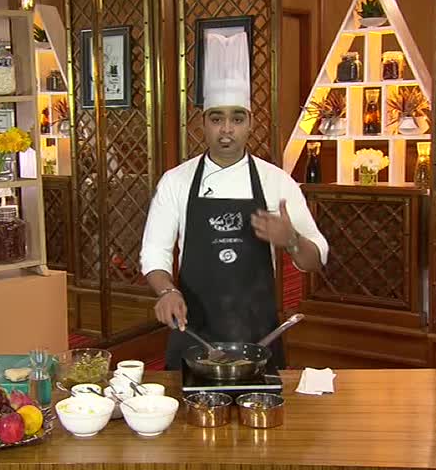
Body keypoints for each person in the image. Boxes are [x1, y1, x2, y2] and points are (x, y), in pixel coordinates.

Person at [139, 31, 329, 371]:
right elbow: (154, 252)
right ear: (203, 123)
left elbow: (314, 259)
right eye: (217, 119)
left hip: (258, 336)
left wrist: (291, 239)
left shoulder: (275, 181)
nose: (226, 129)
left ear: (250, 123)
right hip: (193, 331)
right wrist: (166, 291)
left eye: (237, 119)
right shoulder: (176, 181)